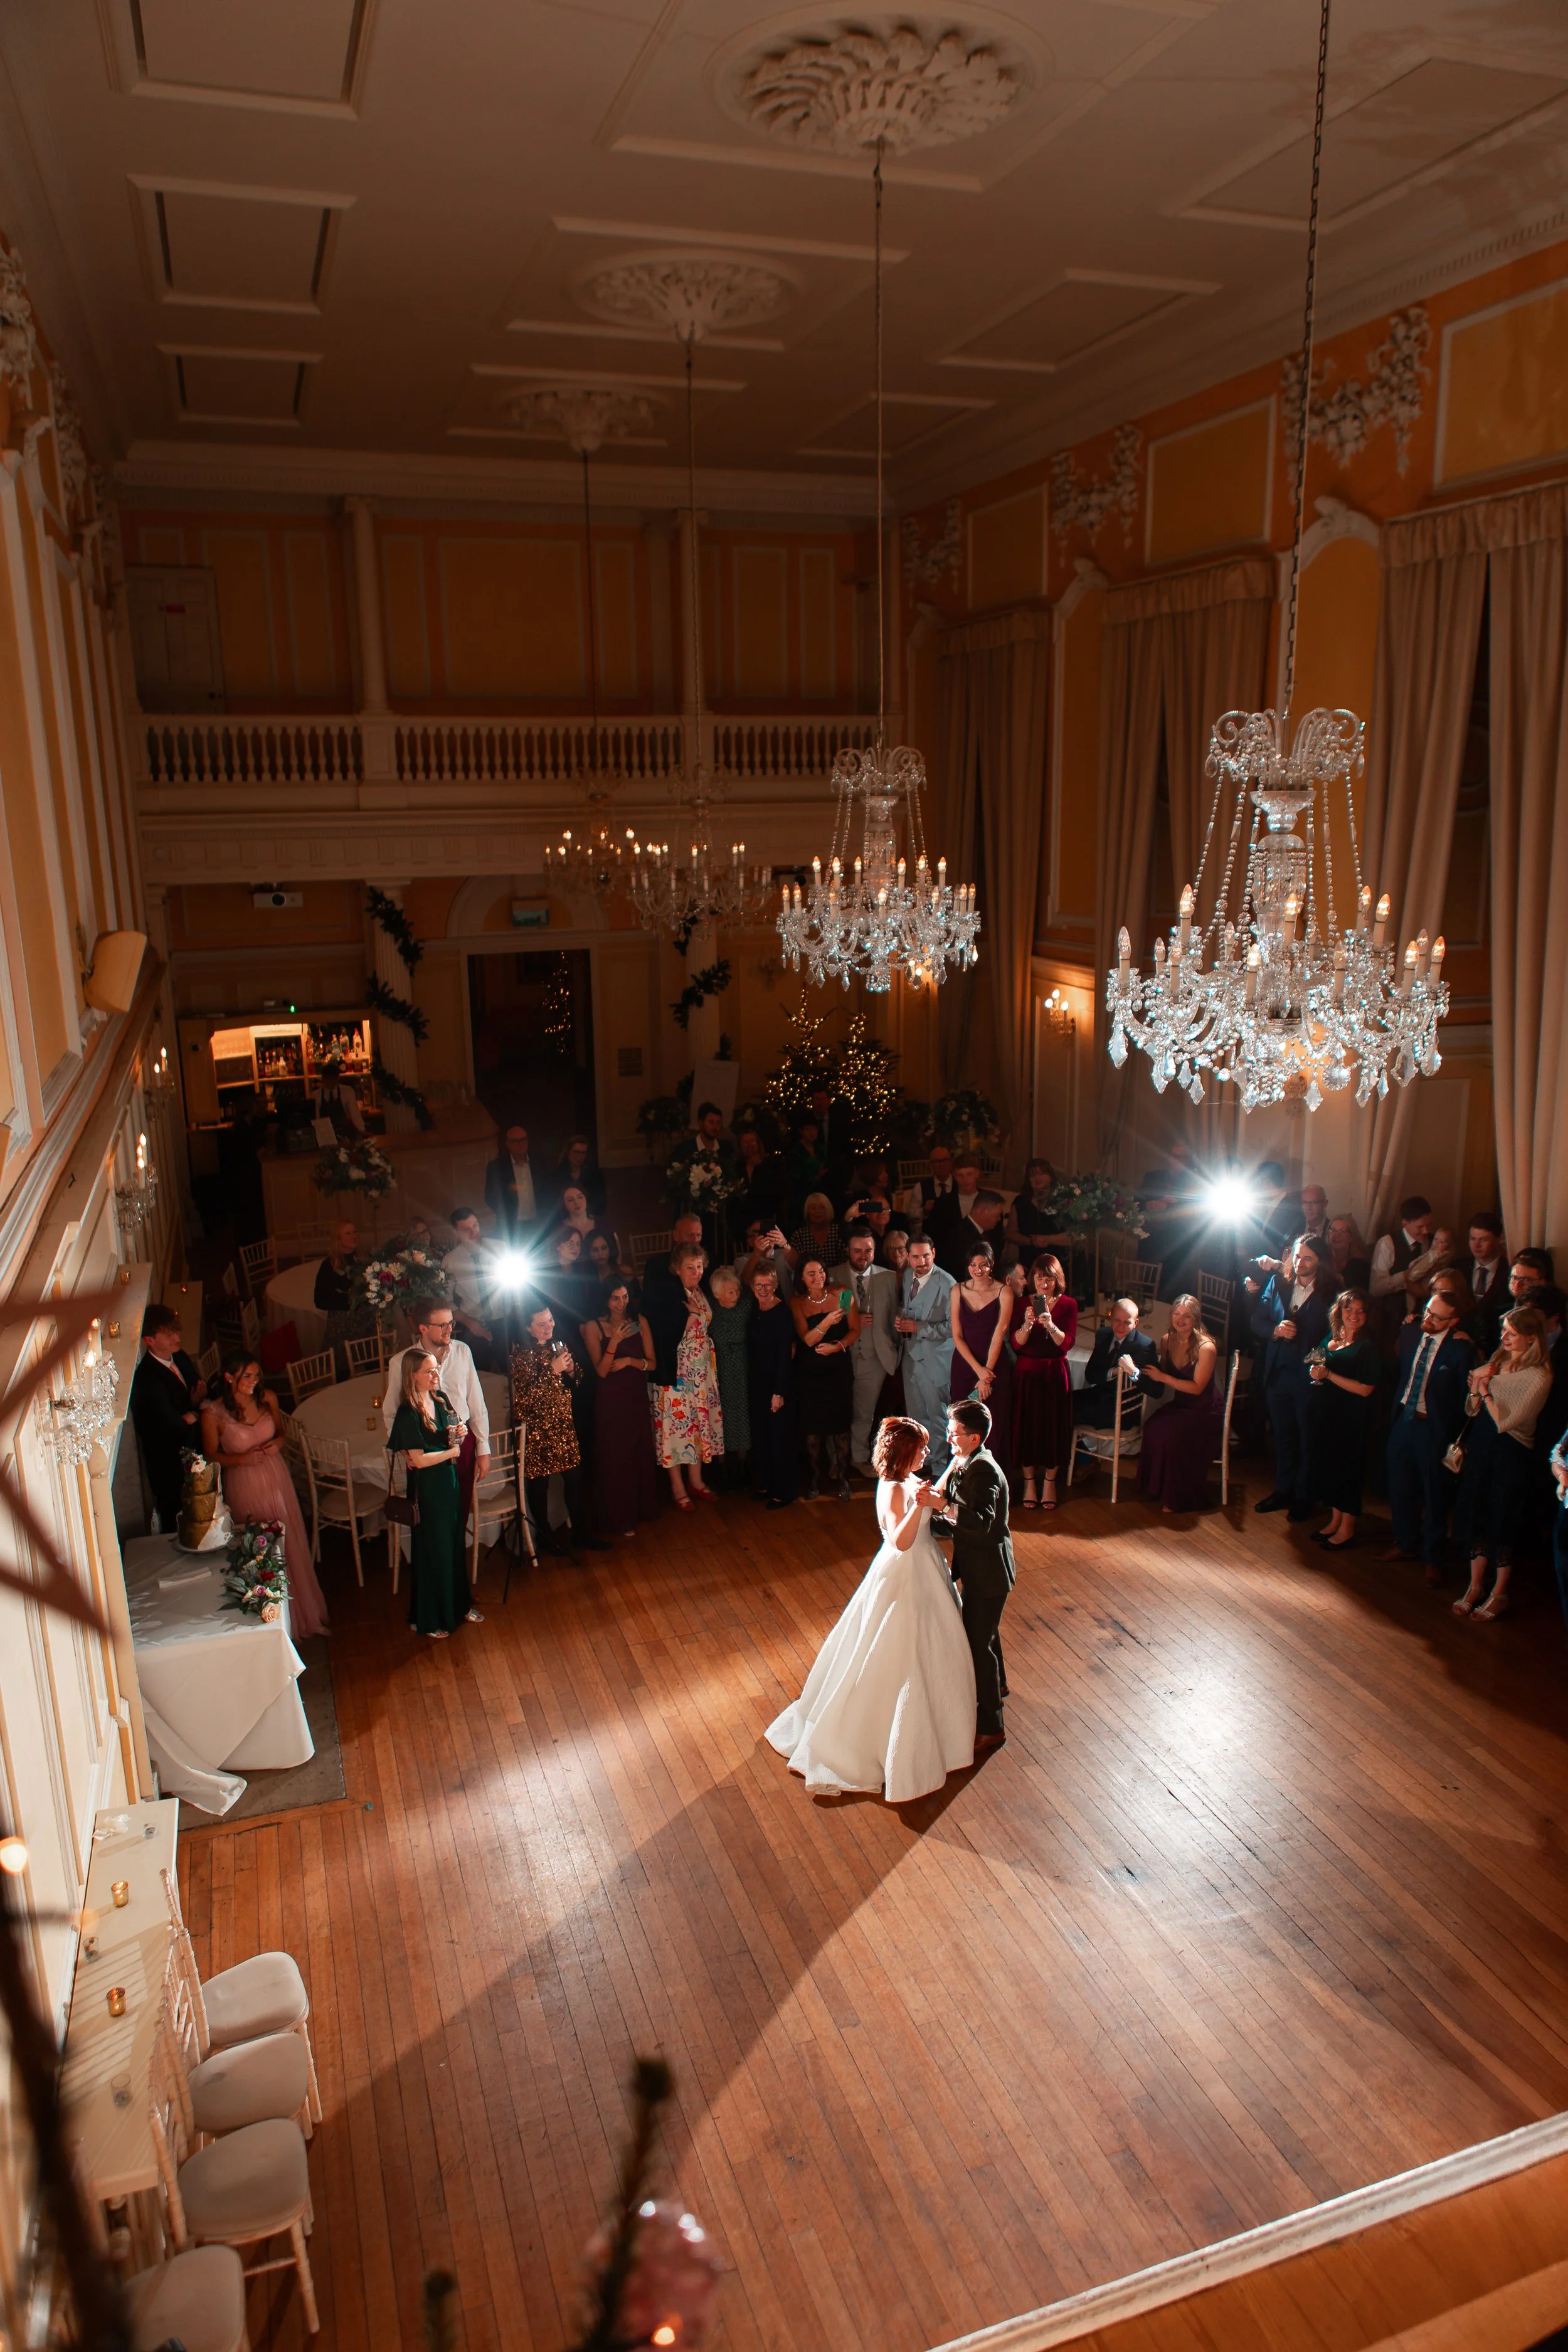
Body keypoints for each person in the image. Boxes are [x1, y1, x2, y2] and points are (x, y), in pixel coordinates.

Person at [765, 1415, 976, 1801]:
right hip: (905, 1571)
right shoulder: (894, 1490)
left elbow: (931, 1493)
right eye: (922, 1448)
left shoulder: (909, 1480)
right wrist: (921, 1506)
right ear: (904, 1453)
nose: (927, 1452)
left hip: (926, 1569)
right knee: (899, 1651)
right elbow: (900, 1541)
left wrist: (949, 1473)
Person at [199, 1353, 329, 1638]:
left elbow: (282, 1430)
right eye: (248, 1376)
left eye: (257, 1376)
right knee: (262, 1547)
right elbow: (211, 1456)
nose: (254, 1382)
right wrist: (242, 1460)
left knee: (289, 1537)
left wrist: (279, 1441)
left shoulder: (267, 1398)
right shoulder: (214, 1413)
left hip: (276, 1475)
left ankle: (303, 1612)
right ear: (230, 1378)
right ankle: (273, 1621)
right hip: (244, 1481)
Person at [1453, 1306, 1554, 1621]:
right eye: (1504, 1331)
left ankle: (1500, 1593)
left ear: (1532, 1338)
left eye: (1511, 1333)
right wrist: (1474, 1390)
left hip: (1510, 1453)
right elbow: (1471, 1411)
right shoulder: (1499, 1362)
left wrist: (1484, 1392)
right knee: (1478, 1513)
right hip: (1482, 1448)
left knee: (1502, 1518)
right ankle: (1475, 1586)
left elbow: (1507, 1423)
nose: (1504, 1337)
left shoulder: (1540, 1375)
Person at [924, 1399, 1014, 1756]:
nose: (948, 1436)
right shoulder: (964, 1460)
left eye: (954, 1432)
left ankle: (992, 1726)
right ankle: (1000, 1685)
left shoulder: (985, 1472)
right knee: (985, 1631)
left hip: (989, 1572)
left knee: (978, 1644)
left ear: (974, 1438)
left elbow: (980, 1522)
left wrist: (941, 1507)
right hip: (978, 1567)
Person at [388, 1350, 482, 1639]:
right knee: (435, 1549)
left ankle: (459, 1606)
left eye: (436, 1369)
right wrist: (452, 1452)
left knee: (454, 1545)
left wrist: (460, 1432)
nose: (436, 1376)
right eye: (429, 1372)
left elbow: (448, 1434)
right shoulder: (408, 1412)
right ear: (413, 1375)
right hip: (428, 1487)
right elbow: (416, 1460)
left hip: (448, 1482)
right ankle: (432, 1618)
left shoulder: (439, 1399)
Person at [1381, 1290, 1476, 1576]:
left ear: (1453, 1320)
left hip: (1434, 1429)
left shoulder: (1460, 1348)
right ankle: (1405, 1542)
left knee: (1434, 1494)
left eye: (1437, 1317)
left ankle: (1433, 1558)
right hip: (1403, 1421)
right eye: (1427, 1310)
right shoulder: (1411, 1332)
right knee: (1399, 1486)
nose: (1429, 1319)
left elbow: (1463, 1398)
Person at [381, 1299, 492, 1532]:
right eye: (442, 1325)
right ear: (423, 1328)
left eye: (451, 1323)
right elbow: (391, 1411)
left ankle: (456, 1563)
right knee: (430, 1517)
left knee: (459, 1511)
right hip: (425, 1445)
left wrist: (483, 1447)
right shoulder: (401, 1362)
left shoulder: (462, 1351)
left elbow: (476, 1400)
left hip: (461, 1440)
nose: (449, 1329)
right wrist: (403, 1448)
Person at [510, 1305, 608, 1556]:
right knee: (539, 1487)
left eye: (550, 1321)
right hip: (537, 1429)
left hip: (563, 1424)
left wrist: (572, 1370)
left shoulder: (557, 1344)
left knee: (575, 1479)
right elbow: (526, 1399)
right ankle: (544, 1537)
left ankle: (581, 1533)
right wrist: (552, 1371)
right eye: (542, 1324)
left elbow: (576, 1382)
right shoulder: (521, 1355)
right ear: (528, 1328)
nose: (549, 1327)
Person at [1251, 1235, 1334, 1519]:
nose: (1300, 1263)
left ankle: (1304, 1496)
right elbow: (1257, 1320)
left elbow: (1335, 1336)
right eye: (1298, 1256)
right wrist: (1275, 1330)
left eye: (1308, 1258)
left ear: (1320, 1261)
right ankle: (1283, 1490)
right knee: (1283, 1435)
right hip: (1279, 1373)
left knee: (1308, 1437)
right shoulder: (1279, 1283)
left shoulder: (1332, 1292)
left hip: (1309, 1376)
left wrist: (1319, 1358)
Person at [645, 1242, 723, 1508]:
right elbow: (664, 1333)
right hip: (677, 1374)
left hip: (701, 1373)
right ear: (677, 1269)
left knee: (699, 1428)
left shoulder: (700, 1292)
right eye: (690, 1267)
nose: (696, 1271)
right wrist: (687, 1316)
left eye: (699, 1266)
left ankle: (697, 1480)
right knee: (677, 1429)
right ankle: (678, 1488)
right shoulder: (670, 1295)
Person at [583, 1280, 659, 1538]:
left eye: (625, 1297)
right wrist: (614, 1343)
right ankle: (619, 1517)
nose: (621, 1303)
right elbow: (602, 1371)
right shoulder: (593, 1327)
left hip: (635, 1396)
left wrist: (629, 1361)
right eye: (615, 1298)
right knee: (616, 1457)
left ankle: (642, 1509)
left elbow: (652, 1364)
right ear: (606, 1300)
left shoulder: (640, 1322)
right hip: (610, 1400)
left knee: (637, 1452)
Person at [1305, 1288, 1379, 1550]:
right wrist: (1316, 1371)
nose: (1354, 1315)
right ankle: (1335, 1521)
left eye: (1360, 1311)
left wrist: (1329, 1377)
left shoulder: (1367, 1346)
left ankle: (1347, 1528)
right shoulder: (1334, 1336)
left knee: (1349, 1472)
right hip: (1330, 1415)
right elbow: (1321, 1359)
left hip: (1352, 1419)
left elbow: (1366, 1388)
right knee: (1333, 1470)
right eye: (1349, 1309)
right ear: (1340, 1311)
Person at [1136, 1295, 1222, 1513]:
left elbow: (1197, 1388)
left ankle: (1177, 1497)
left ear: (1196, 1319)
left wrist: (1162, 1378)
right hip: (1181, 1405)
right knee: (1152, 1427)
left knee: (1172, 1436)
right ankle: (1156, 1489)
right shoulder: (1167, 1340)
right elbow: (1164, 1372)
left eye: (1187, 1316)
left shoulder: (1206, 1347)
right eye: (1177, 1314)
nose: (1181, 1319)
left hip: (1205, 1409)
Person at [831, 1224, 901, 1481]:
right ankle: (837, 1460)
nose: (863, 1256)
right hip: (841, 1356)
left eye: (868, 1251)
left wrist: (893, 1350)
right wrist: (853, 1319)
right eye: (857, 1250)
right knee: (838, 1410)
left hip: (875, 1356)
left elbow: (894, 1315)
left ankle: (859, 1458)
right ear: (848, 1250)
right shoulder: (832, 1275)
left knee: (865, 1412)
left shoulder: (888, 1277)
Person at [130, 1303, 206, 1532]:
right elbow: (169, 1426)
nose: (177, 1337)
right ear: (149, 1341)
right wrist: (192, 1412)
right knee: (178, 1523)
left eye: (176, 1331)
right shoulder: (146, 1380)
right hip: (170, 1468)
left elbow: (202, 1391)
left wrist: (192, 1412)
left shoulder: (180, 1357)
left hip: (196, 1450)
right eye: (169, 1334)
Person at [1010, 1254, 1078, 1510]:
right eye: (1039, 1278)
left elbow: (1068, 1343)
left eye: (1049, 1278)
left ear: (1056, 1279)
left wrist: (1050, 1325)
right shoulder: (1021, 1305)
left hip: (1055, 1372)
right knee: (1027, 1427)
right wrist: (1027, 1325)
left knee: (1054, 1427)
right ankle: (1029, 1482)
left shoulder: (1068, 1304)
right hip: (1027, 1372)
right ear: (1032, 1279)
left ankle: (1050, 1481)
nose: (1043, 1284)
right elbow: (1016, 1344)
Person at [792, 1258, 861, 1500]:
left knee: (841, 1426)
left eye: (820, 1271)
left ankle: (843, 1478)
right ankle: (814, 1478)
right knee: (813, 1428)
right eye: (811, 1273)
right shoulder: (797, 1302)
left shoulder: (842, 1294)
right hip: (810, 1372)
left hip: (838, 1369)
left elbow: (855, 1329)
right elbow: (808, 1340)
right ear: (801, 1277)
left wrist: (838, 1346)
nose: (817, 1277)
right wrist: (828, 1321)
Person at [949, 1241, 1015, 1485]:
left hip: (995, 1366)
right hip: (965, 1366)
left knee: (993, 1426)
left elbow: (1001, 1332)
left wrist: (987, 1375)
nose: (978, 1270)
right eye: (973, 1265)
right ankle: (961, 1483)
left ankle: (993, 1485)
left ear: (992, 1265)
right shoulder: (957, 1290)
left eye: (983, 1265)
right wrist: (979, 1372)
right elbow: (957, 1336)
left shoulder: (1004, 1291)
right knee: (962, 1424)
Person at [895, 1238, 956, 1476]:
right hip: (910, 1357)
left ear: (934, 1253)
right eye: (916, 1257)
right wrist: (901, 1323)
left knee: (937, 1415)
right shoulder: (908, 1275)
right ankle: (922, 1464)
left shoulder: (948, 1283)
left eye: (926, 1256)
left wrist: (919, 1327)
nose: (921, 1262)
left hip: (935, 1359)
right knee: (916, 1414)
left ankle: (941, 1469)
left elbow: (953, 1327)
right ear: (909, 1257)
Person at [746, 1264, 797, 1508]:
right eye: (759, 1285)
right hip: (756, 1383)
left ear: (776, 1286)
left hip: (776, 1384)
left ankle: (783, 1491)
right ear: (752, 1287)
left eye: (768, 1285)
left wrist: (780, 1391)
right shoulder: (753, 1309)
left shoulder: (781, 1313)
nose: (763, 1289)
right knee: (762, 1437)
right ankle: (765, 1485)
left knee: (778, 1439)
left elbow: (784, 1355)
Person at [1073, 1299, 1158, 1429]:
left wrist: (1133, 1372)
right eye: (1117, 1320)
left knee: (1066, 1412)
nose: (1120, 1326)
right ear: (1110, 1317)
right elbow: (1091, 1375)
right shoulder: (1103, 1335)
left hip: (1124, 1409)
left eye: (1127, 1322)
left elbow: (1157, 1390)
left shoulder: (1145, 1346)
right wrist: (1113, 1372)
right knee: (1059, 1402)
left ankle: (1075, 1447)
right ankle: (1073, 1448)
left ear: (1136, 1323)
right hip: (1099, 1398)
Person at [706, 1264, 754, 1491]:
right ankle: (722, 1468)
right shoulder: (710, 1311)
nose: (736, 1295)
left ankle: (743, 1466)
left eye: (737, 1291)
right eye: (730, 1292)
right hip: (719, 1372)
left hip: (743, 1369)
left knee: (742, 1416)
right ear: (717, 1294)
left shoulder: (746, 1306)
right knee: (721, 1418)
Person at [1369, 1194, 1438, 1340]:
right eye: (1420, 1227)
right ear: (1405, 1224)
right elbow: (1376, 1288)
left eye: (1429, 1225)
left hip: (1426, 1322)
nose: (1426, 1231)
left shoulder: (1435, 1242)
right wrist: (1406, 1277)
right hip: (1392, 1323)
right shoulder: (1387, 1244)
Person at [314, 1219, 377, 1369]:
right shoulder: (330, 1265)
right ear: (338, 1238)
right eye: (348, 1233)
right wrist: (351, 1300)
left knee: (371, 1364)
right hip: (342, 1326)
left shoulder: (363, 1259)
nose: (353, 1236)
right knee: (342, 1368)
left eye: (354, 1232)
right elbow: (320, 1300)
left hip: (365, 1322)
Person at [443, 1208, 502, 1368]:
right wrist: (471, 1324)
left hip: (505, 1320)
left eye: (475, 1225)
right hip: (473, 1324)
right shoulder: (451, 1262)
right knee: (478, 1375)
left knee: (512, 1372)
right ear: (455, 1232)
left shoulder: (500, 1249)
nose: (473, 1232)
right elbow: (446, 1301)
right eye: (466, 1229)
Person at [485, 1123, 546, 1247]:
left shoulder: (540, 1163)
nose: (521, 1144)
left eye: (523, 1140)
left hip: (537, 1225)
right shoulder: (497, 1167)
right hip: (511, 1227)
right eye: (516, 1141)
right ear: (508, 1144)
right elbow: (490, 1196)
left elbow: (548, 1192)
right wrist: (505, 1214)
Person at [936, 1189, 1007, 1282]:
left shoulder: (988, 1234)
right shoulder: (959, 1236)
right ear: (984, 1211)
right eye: (998, 1214)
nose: (999, 1219)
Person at [1465, 1212, 1507, 1337]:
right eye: (1473, 1239)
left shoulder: (1510, 1272)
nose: (1476, 1246)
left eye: (1484, 1240)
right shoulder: (1458, 1267)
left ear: (1497, 1240)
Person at [642, 1213, 705, 1293]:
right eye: (690, 1235)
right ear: (676, 1236)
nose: (695, 1240)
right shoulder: (656, 1266)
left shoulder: (706, 1265)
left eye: (699, 1235)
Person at [782, 1117, 827, 1226]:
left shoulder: (820, 1149)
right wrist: (816, 1177)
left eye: (814, 1129)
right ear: (801, 1131)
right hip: (801, 1199)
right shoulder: (795, 1152)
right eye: (807, 1130)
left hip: (820, 1195)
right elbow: (795, 1179)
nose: (811, 1133)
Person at [738, 1217, 795, 1301]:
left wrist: (785, 1244)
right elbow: (745, 1281)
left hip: (786, 1307)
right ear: (750, 1241)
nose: (765, 1236)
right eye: (758, 1233)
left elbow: (799, 1267)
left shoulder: (784, 1254)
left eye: (767, 1231)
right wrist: (757, 1253)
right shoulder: (743, 1260)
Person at [553, 1131, 607, 1219]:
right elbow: (554, 1203)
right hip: (565, 1221)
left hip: (590, 1219)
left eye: (583, 1153)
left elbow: (601, 1201)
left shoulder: (594, 1174)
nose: (580, 1157)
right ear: (569, 1152)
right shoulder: (558, 1175)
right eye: (577, 1152)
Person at [790, 1192, 844, 1275]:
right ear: (807, 1212)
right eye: (813, 1208)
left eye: (822, 1208)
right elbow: (795, 1267)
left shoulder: (839, 1231)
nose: (818, 1211)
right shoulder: (799, 1236)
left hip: (839, 1278)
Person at [1325, 1214, 1372, 1295]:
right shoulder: (1322, 1258)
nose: (1336, 1235)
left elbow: (1361, 1294)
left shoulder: (1361, 1266)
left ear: (1351, 1237)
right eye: (1333, 1231)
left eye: (1342, 1231)